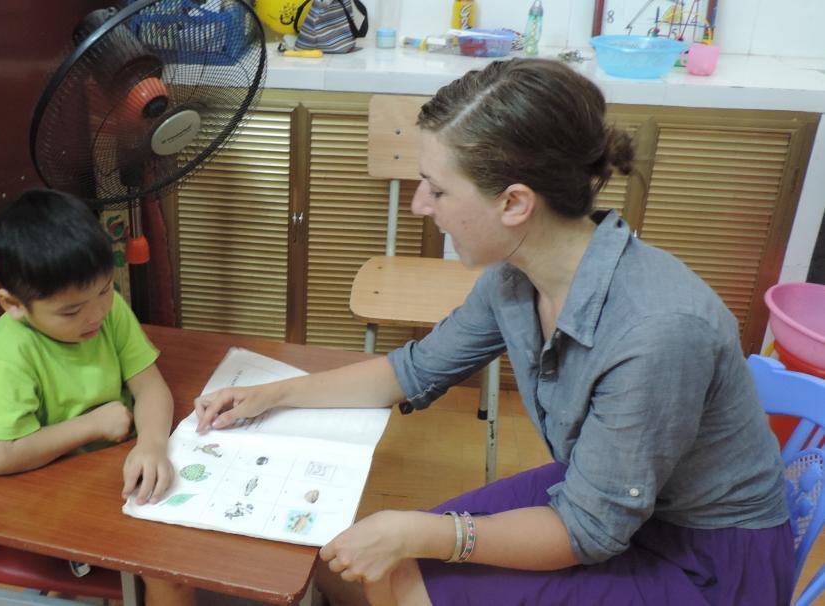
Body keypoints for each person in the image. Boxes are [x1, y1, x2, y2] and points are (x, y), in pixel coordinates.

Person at [193, 58, 793, 605]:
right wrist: (271, 395)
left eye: (438, 188)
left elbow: (588, 531)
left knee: (401, 577)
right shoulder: (516, 278)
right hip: (608, 496)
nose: (419, 206)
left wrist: (424, 533)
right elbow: (413, 370)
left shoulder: (657, 332)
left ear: (514, 203)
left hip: (703, 557)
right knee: (360, 568)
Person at [0, 188, 194, 605]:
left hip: (111, 471)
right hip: (55, 492)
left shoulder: (105, 308)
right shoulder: (8, 352)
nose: (95, 315)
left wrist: (152, 444)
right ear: (13, 305)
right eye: (70, 312)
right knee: (170, 567)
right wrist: (92, 424)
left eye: (106, 291)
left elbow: (151, 387)